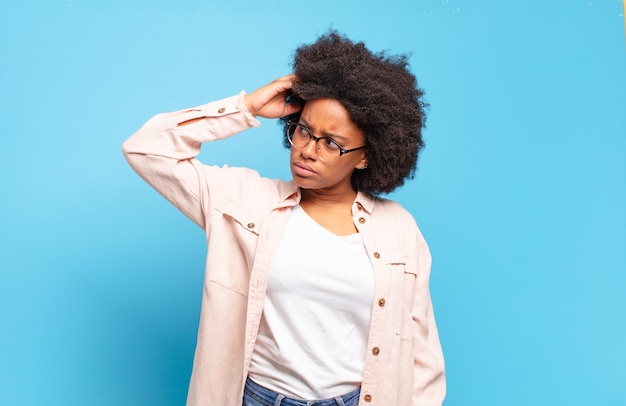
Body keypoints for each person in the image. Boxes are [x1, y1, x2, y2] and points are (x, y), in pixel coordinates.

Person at [122, 31, 445, 406]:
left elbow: (422, 355)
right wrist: (247, 107)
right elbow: (146, 149)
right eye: (303, 130)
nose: (308, 150)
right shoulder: (243, 200)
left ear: (365, 157)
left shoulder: (398, 229)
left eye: (331, 142)